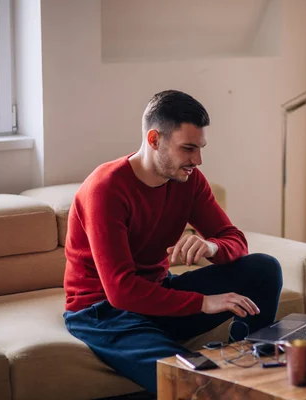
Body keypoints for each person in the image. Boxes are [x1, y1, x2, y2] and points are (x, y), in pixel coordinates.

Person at [63, 89, 283, 394]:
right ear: (154, 140)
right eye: (188, 148)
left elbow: (235, 240)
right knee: (191, 378)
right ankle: (226, 379)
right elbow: (121, 290)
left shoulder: (189, 181)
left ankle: (251, 361)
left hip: (157, 293)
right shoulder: (106, 189)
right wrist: (204, 303)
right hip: (103, 313)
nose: (199, 160)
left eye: (201, 148)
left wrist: (212, 247)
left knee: (264, 268)